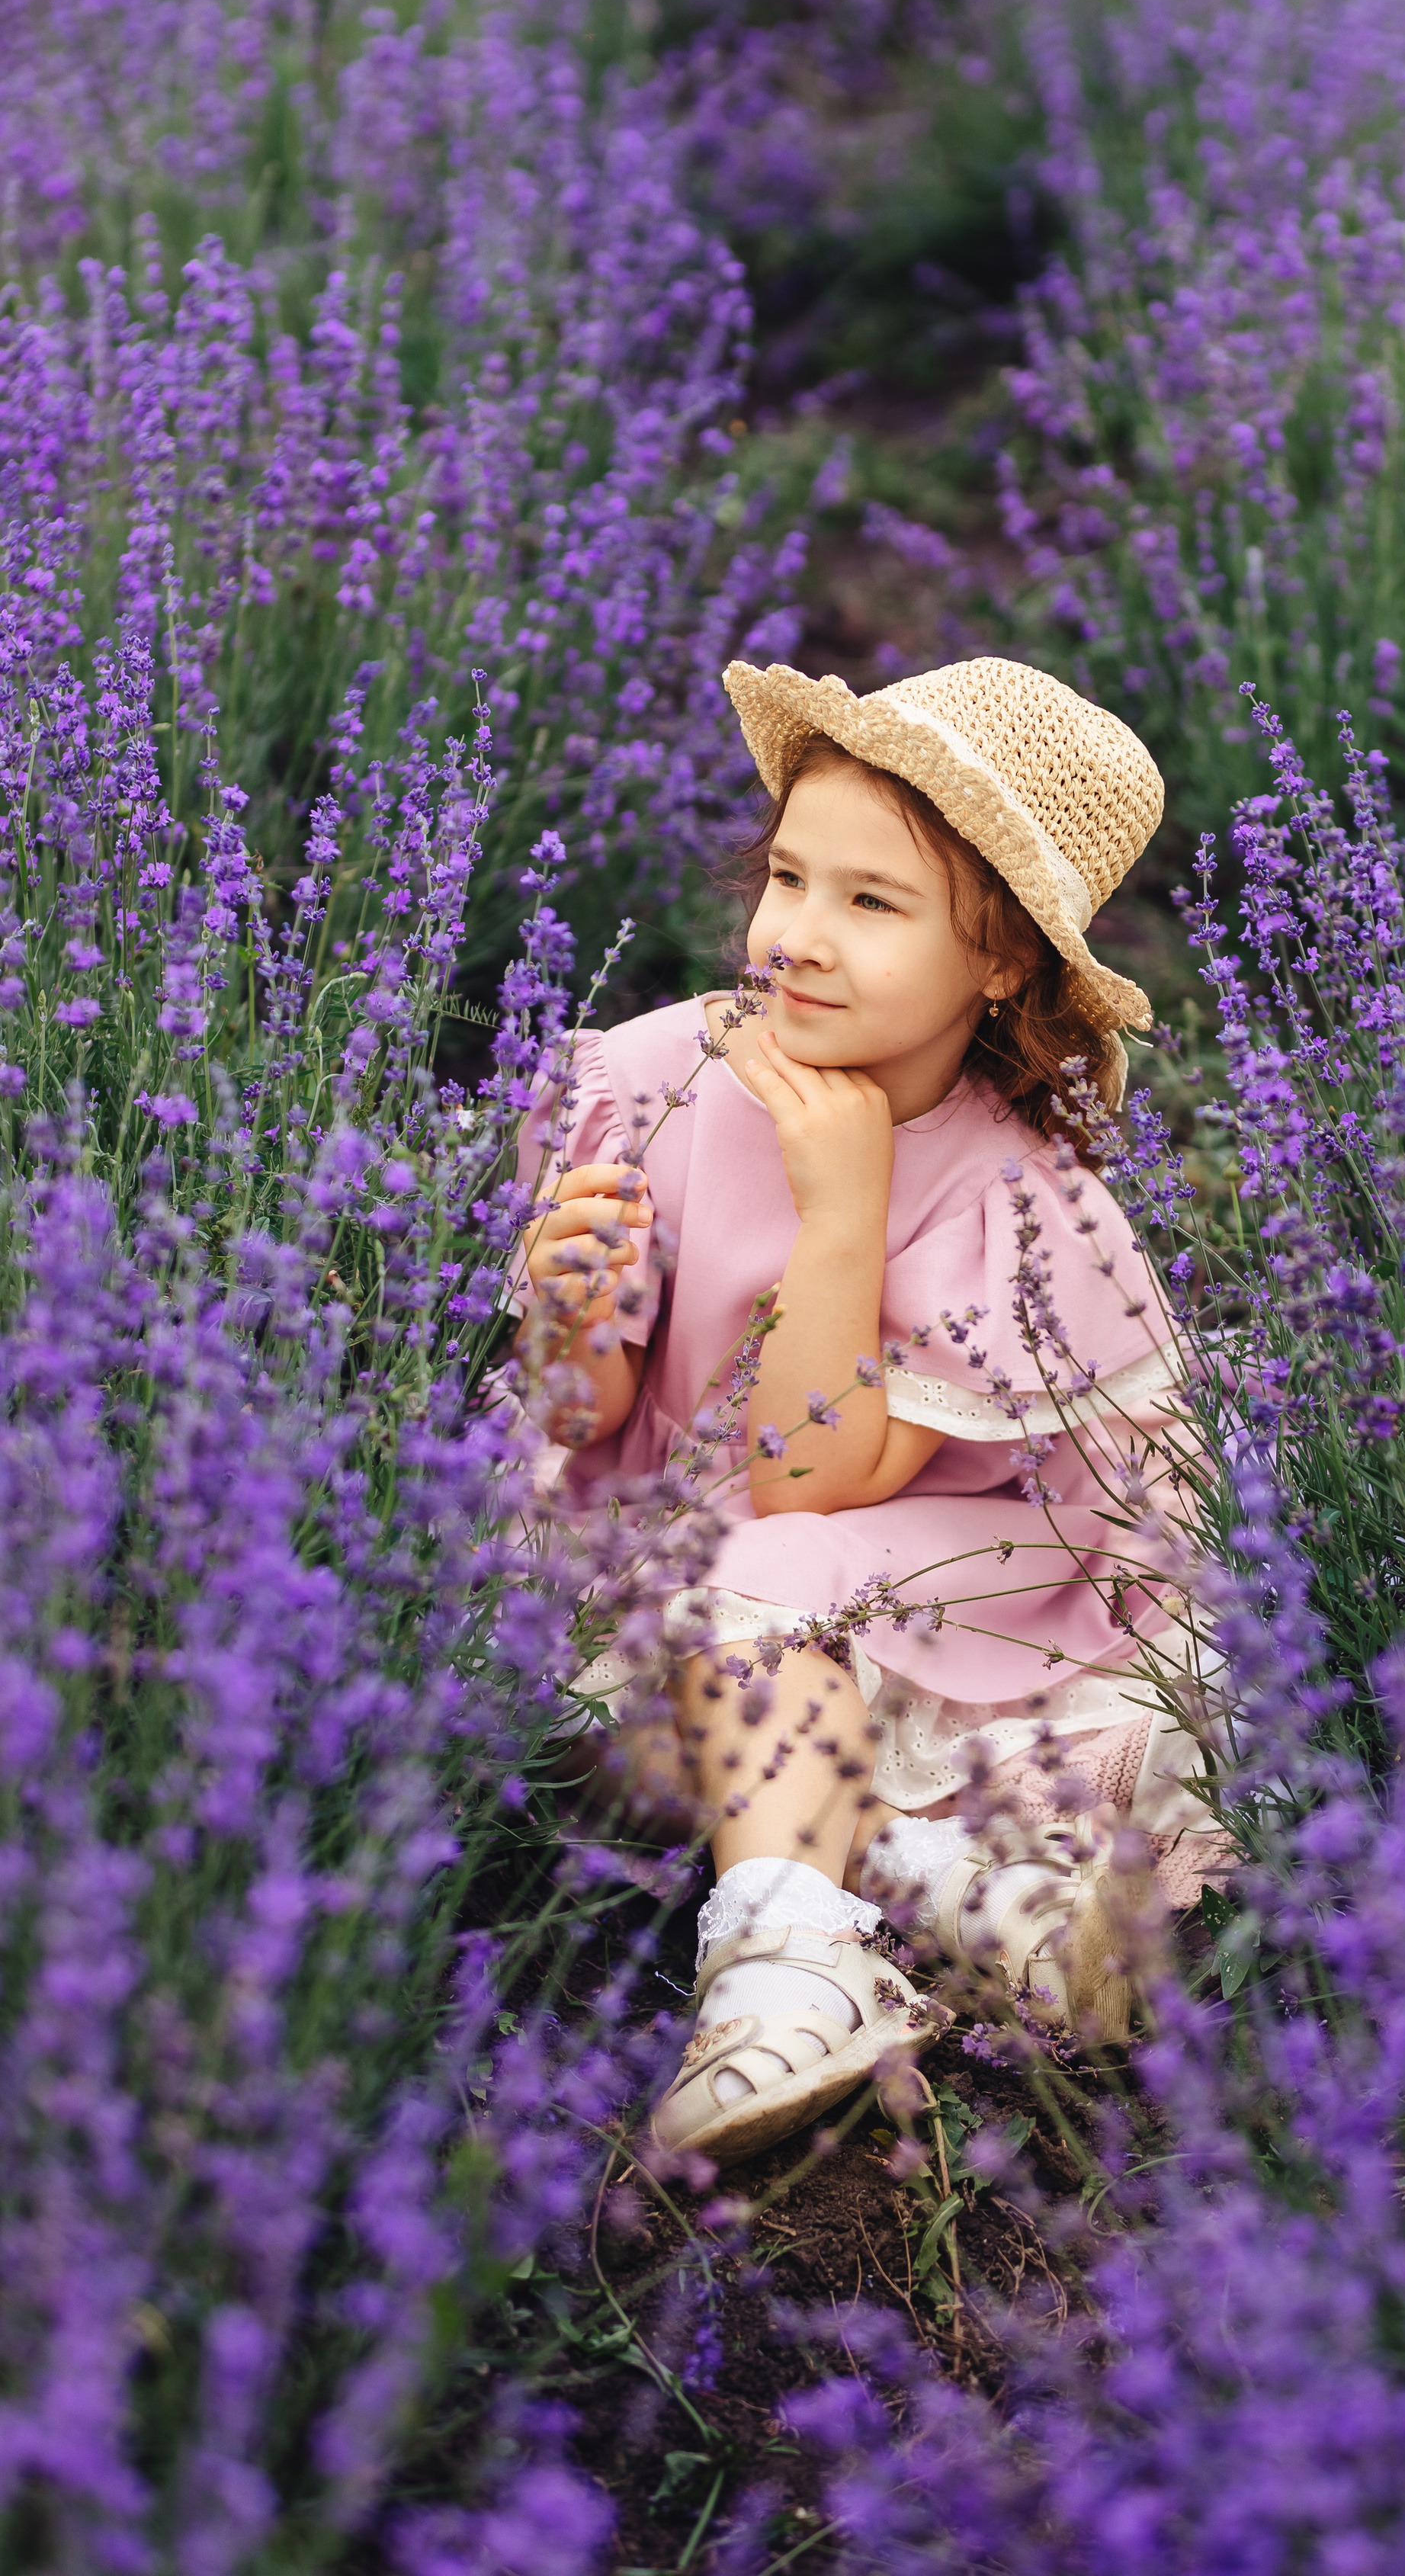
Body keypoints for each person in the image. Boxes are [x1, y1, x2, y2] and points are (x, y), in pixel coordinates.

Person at [509, 656, 1220, 2163]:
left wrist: (842, 1213)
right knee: (609, 1731)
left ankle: (787, 1969)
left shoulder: (1020, 1207)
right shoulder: (657, 1079)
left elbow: (805, 1487)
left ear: (1003, 967)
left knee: (754, 1594)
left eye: (871, 905)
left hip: (945, 1577)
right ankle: (940, 1891)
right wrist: (562, 1310)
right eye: (786, 879)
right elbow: (586, 1415)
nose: (797, 940)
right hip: (697, 1556)